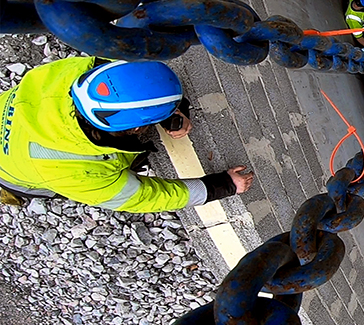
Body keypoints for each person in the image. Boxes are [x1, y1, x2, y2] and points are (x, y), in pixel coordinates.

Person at [0, 57, 254, 213]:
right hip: (10, 175)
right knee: (47, 189)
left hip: (22, 119)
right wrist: (220, 186)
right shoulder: (74, 173)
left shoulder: (84, 72)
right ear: (134, 129)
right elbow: (143, 196)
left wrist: (170, 113)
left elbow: (128, 83)